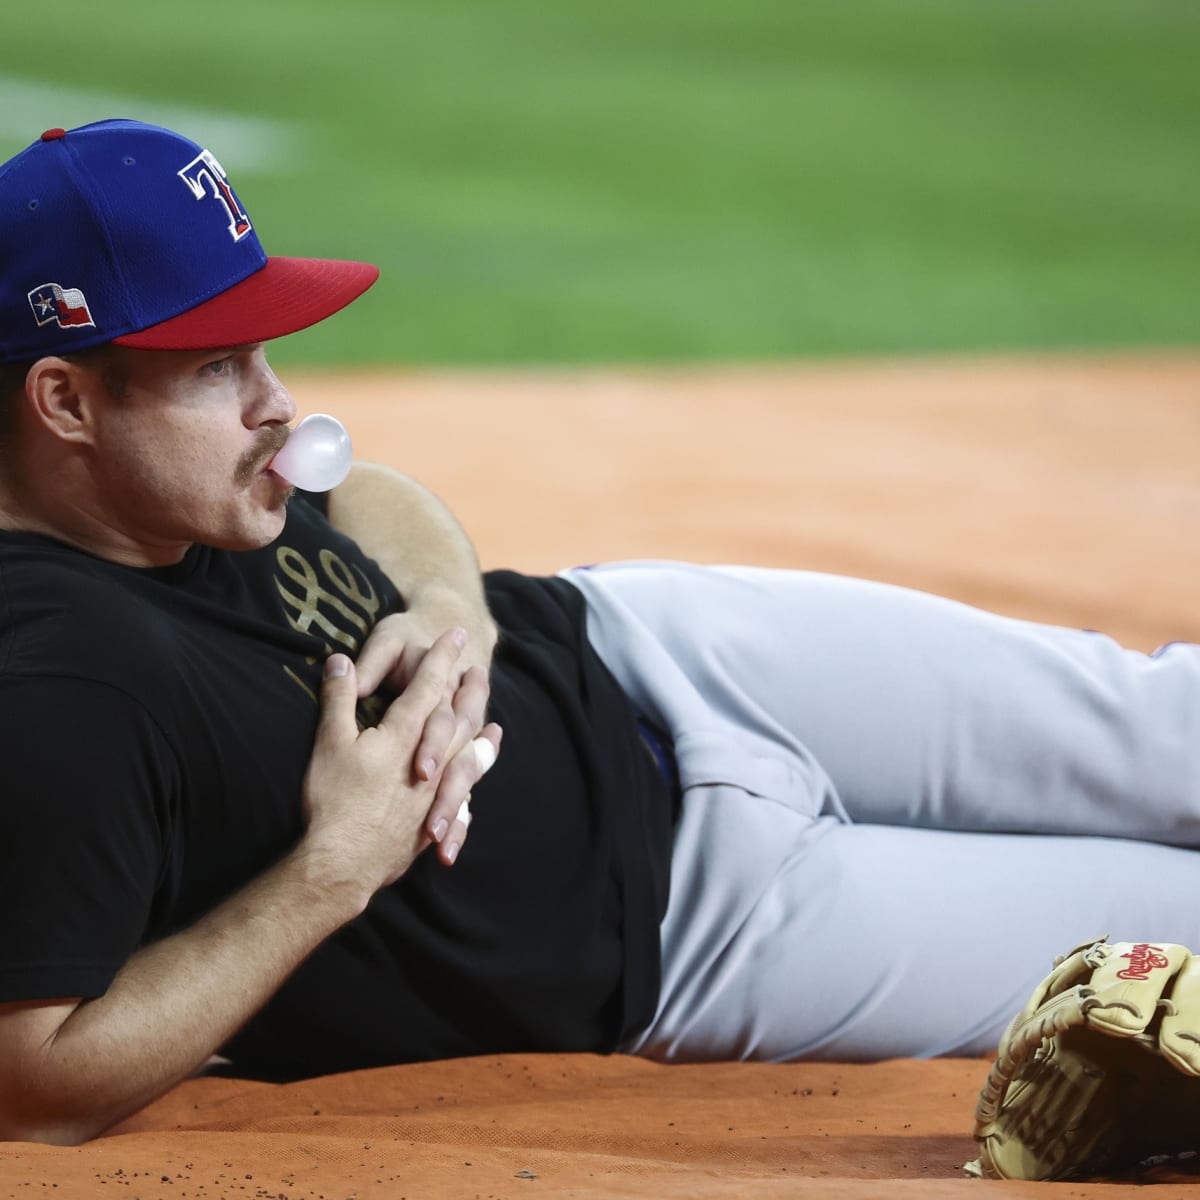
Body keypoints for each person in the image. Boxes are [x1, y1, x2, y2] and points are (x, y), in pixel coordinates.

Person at [2, 119, 1199, 1147]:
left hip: (659, 646)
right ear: (62, 399)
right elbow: (40, 1080)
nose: (276, 400)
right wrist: (332, 874)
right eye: (217, 365)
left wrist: (452, 609)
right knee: (1180, 945)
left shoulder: (166, 488)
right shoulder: (57, 687)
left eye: (264, 348)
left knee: (1160, 719)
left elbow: (370, 491)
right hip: (706, 923)